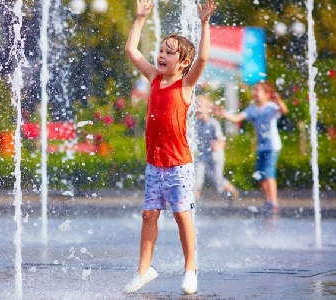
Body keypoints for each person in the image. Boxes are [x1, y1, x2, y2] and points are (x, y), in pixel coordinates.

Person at [123, 0, 217, 294]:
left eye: (169, 52)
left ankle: (190, 269)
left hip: (178, 164)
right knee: (149, 215)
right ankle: (144, 269)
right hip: (155, 163)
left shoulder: (185, 85)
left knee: (181, 215)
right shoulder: (153, 78)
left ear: (183, 62)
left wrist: (204, 23)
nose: (161, 55)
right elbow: (131, 51)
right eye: (161, 50)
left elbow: (203, 60)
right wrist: (139, 19)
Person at [215, 81, 288, 216]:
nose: (254, 93)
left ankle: (274, 202)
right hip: (261, 147)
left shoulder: (271, 107)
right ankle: (268, 200)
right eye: (254, 90)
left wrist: (280, 102)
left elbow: (284, 111)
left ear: (267, 94)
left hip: (272, 146)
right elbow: (237, 118)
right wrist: (224, 114)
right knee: (260, 174)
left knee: (269, 173)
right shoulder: (252, 109)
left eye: (257, 90)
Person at [194, 94, 239, 202]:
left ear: (208, 109)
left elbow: (223, 142)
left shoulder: (213, 124)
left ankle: (232, 190)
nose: (197, 109)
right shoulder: (195, 124)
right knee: (196, 180)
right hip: (202, 156)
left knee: (217, 181)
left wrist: (218, 145)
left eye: (200, 106)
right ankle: (192, 204)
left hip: (216, 157)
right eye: (196, 106)